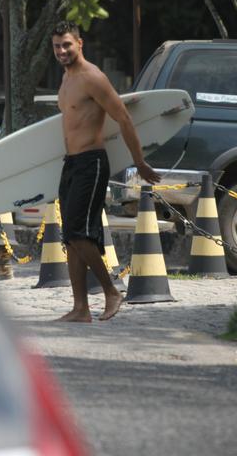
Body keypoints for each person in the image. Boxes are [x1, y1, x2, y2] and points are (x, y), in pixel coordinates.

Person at [52, 21, 161, 323]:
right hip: (71, 163)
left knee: (80, 233)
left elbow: (123, 118)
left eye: (67, 45)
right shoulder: (66, 78)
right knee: (70, 237)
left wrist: (139, 162)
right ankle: (80, 308)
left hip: (92, 163)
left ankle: (111, 292)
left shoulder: (92, 77)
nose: (61, 51)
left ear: (80, 44)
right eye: (57, 46)